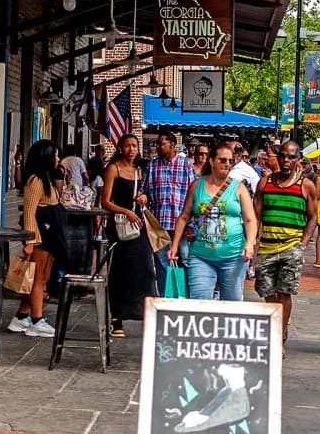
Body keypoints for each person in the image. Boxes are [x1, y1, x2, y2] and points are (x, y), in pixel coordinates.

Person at [168, 143, 258, 301]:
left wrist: (250, 244)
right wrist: (174, 245)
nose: (227, 164)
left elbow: (250, 220)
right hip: (201, 256)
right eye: (223, 160)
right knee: (199, 301)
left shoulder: (239, 188)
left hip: (233, 256)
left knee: (232, 303)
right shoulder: (197, 186)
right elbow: (184, 216)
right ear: (211, 161)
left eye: (230, 161)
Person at [254, 140, 317, 356]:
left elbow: (313, 217)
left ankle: (278, 336)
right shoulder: (264, 183)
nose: (286, 160)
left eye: (291, 157)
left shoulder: (306, 185)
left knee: (284, 292)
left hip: (291, 246)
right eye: (283, 156)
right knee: (267, 292)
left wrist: (303, 244)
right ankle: (278, 322)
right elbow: (256, 216)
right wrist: (252, 242)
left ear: (298, 159)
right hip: (267, 246)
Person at [100, 134, 156, 337]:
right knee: (120, 272)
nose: (131, 149)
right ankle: (117, 317)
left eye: (134, 146)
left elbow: (146, 194)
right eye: (127, 146)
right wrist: (125, 211)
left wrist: (143, 198)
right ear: (120, 148)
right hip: (120, 225)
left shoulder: (140, 170)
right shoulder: (113, 168)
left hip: (138, 224)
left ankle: (144, 313)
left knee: (146, 269)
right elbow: (105, 201)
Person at [8, 140, 64, 338]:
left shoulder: (47, 179)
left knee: (37, 277)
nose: (58, 159)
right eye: (55, 155)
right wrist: (30, 241)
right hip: (40, 236)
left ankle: (22, 315)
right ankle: (37, 320)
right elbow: (30, 212)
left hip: (50, 235)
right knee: (38, 278)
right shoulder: (35, 180)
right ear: (46, 157)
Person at [145, 132, 197, 296]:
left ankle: (186, 297)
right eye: (158, 144)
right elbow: (144, 190)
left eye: (162, 143)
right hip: (159, 223)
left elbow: (194, 193)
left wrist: (193, 222)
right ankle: (167, 298)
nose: (158, 147)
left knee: (185, 260)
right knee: (162, 262)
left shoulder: (186, 165)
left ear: (172, 145)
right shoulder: (152, 166)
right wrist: (143, 197)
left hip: (181, 222)